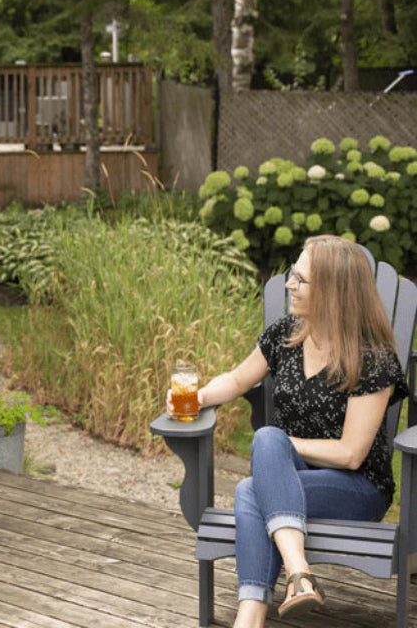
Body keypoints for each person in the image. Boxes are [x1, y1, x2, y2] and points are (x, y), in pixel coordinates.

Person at [168, 235, 405, 627]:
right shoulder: (285, 334)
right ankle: (283, 590)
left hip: (357, 488)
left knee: (260, 464)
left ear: (333, 291)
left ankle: (274, 591)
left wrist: (285, 444)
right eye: (292, 275)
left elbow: (351, 454)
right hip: (290, 480)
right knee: (254, 478)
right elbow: (237, 379)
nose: (290, 285)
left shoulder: (373, 358)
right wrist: (195, 397)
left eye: (301, 280)